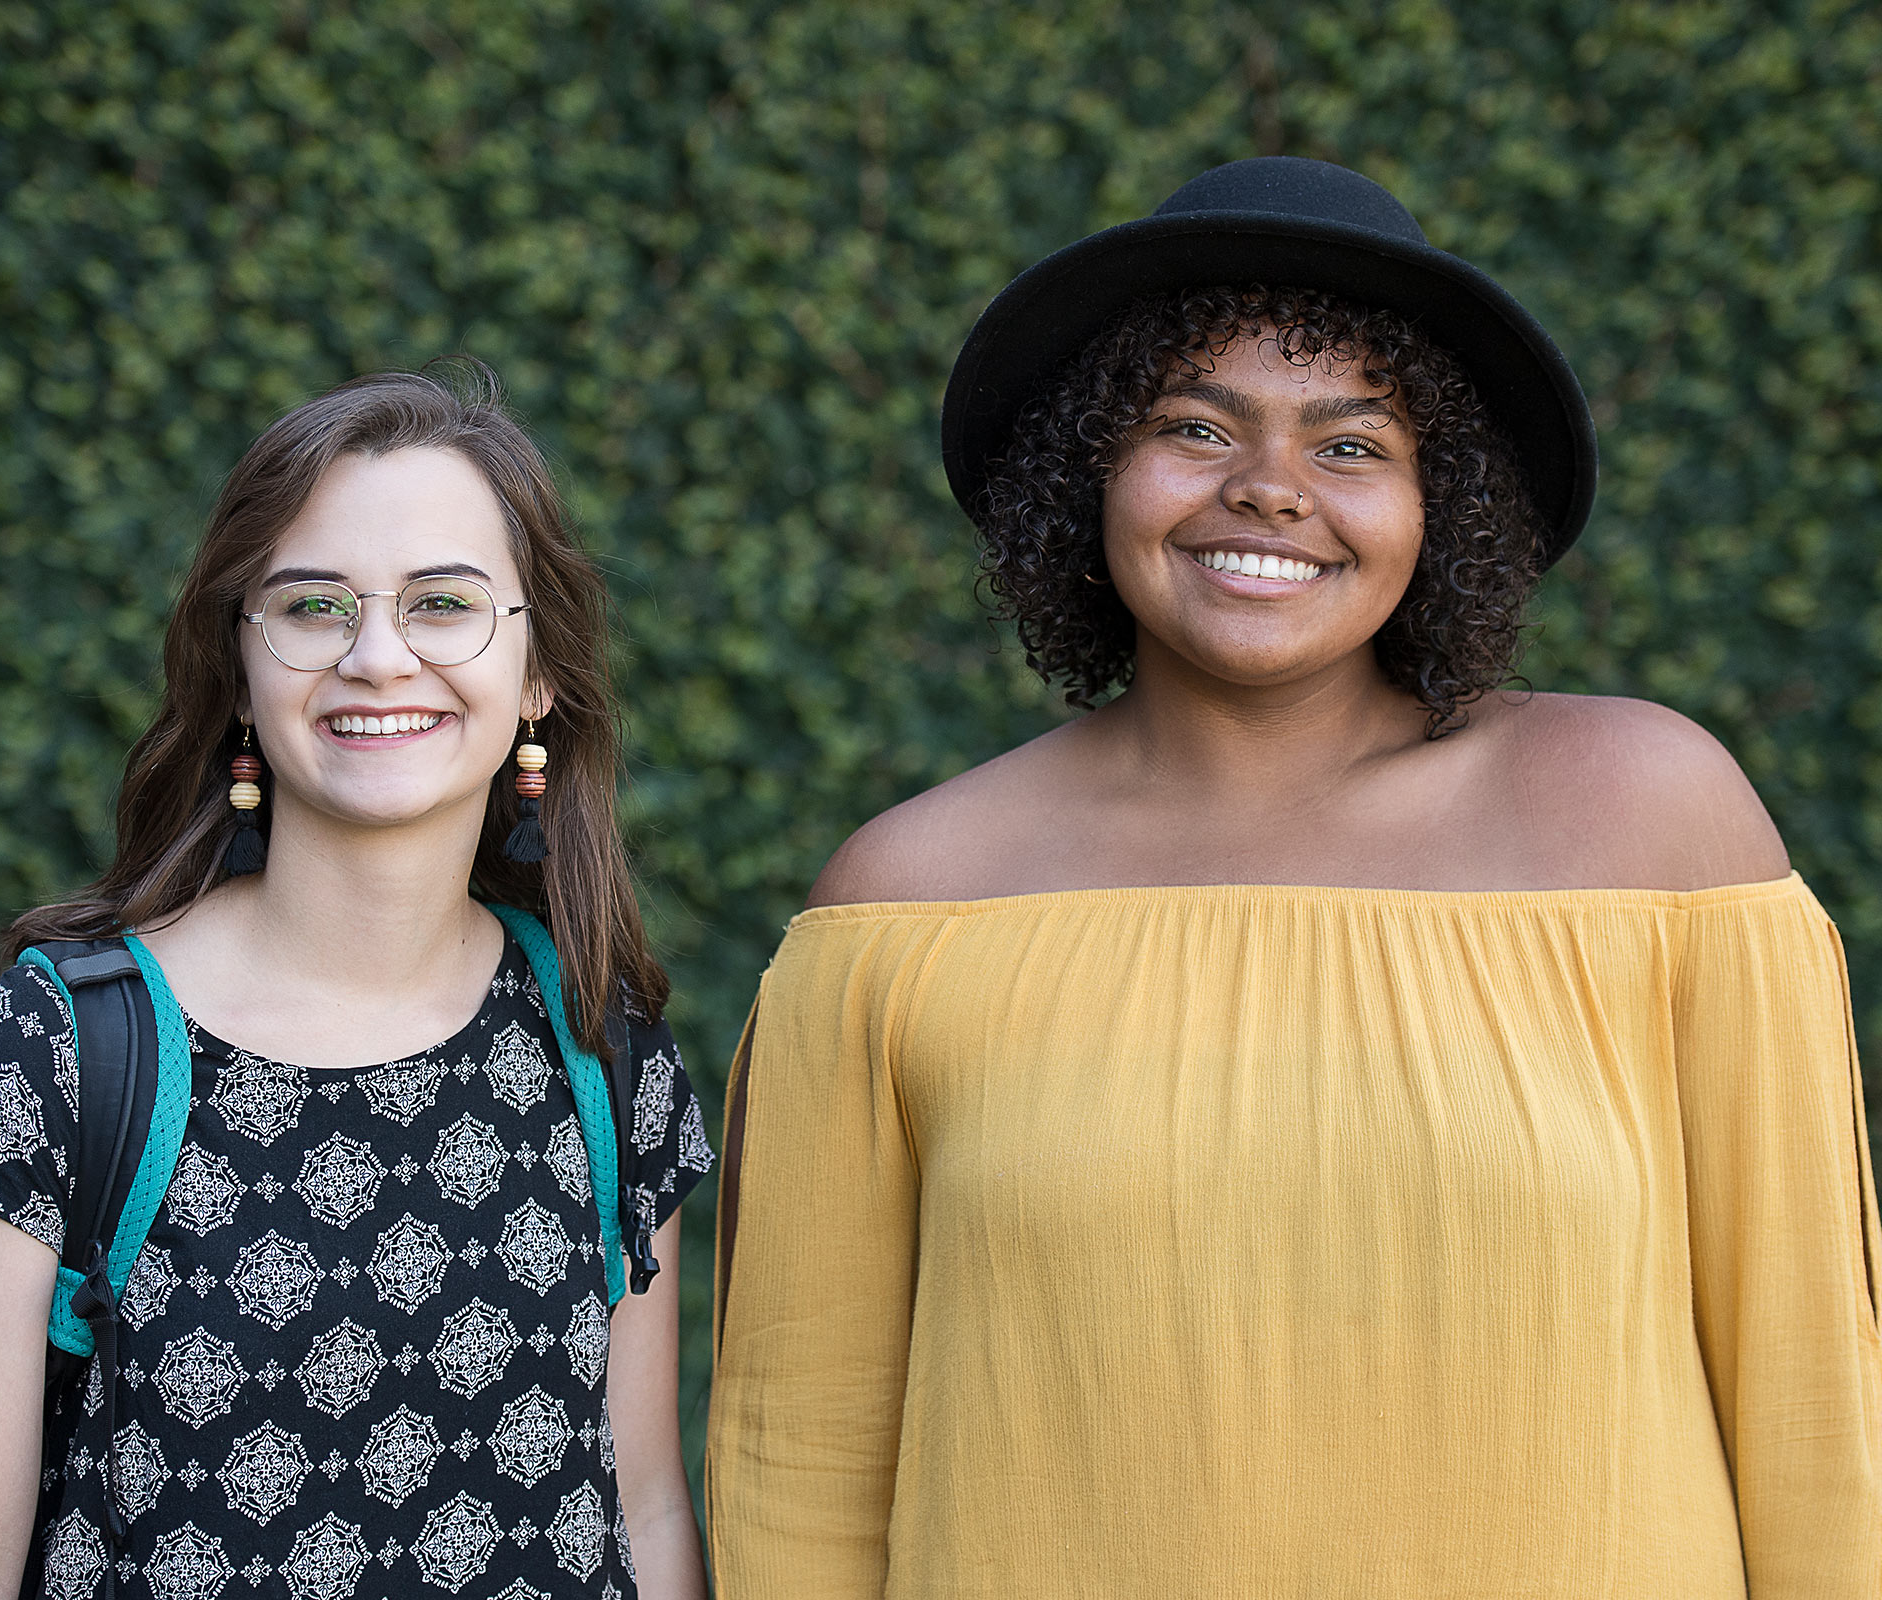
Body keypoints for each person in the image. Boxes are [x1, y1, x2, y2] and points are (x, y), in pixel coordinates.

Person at [705, 159, 1882, 1596]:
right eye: (1196, 428)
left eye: (1350, 447)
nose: (1267, 489)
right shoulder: (905, 903)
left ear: (1438, 506)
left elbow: (1818, 1407)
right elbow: (802, 1472)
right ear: (1090, 474)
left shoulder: (1646, 822)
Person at [0, 363, 713, 1600]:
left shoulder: (602, 1045)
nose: (377, 656)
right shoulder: (59, 1048)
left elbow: (642, 1508)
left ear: (539, 675)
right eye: (313, 606)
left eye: (443, 604)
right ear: (244, 671)